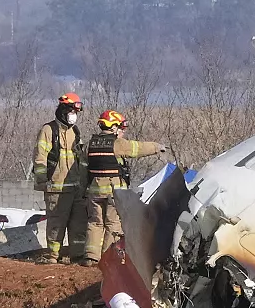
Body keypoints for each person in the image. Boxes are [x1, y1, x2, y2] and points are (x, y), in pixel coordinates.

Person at [83, 110, 166, 262]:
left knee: (95, 222)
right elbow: (138, 148)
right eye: (120, 127)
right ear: (113, 127)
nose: (121, 131)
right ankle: (108, 258)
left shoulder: (90, 144)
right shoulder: (117, 144)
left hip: (94, 191)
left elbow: (83, 165)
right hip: (113, 191)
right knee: (112, 223)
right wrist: (156, 147)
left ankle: (91, 257)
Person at [31, 93, 88, 263]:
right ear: (63, 110)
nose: (74, 115)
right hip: (56, 188)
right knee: (56, 223)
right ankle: (53, 256)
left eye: (76, 112)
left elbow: (81, 159)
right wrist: (42, 180)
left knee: (78, 225)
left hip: (76, 188)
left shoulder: (75, 132)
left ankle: (76, 256)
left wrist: (84, 183)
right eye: (71, 111)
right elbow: (40, 157)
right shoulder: (48, 130)